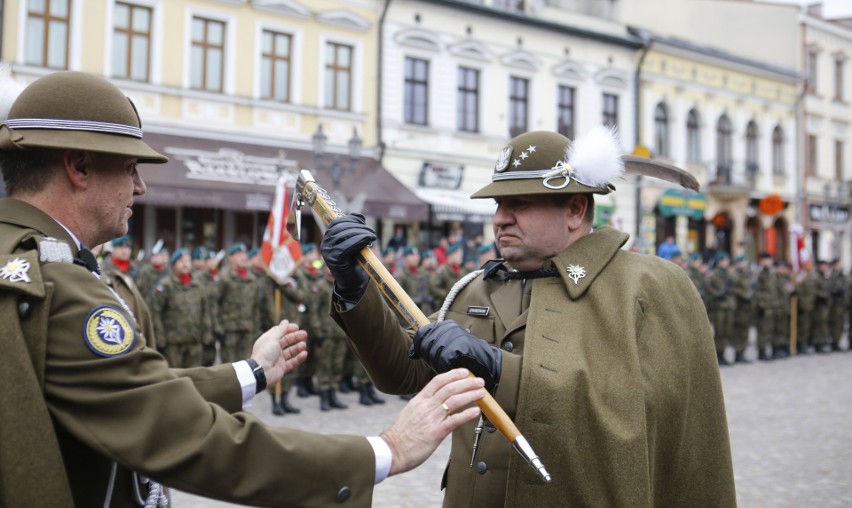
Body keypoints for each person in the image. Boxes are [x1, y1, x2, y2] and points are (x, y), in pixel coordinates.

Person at [0, 70, 485, 507]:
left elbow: (124, 392)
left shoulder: (26, 260)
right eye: (129, 168)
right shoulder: (57, 283)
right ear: (79, 167)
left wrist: (251, 372)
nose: (141, 187)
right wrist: (385, 450)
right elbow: (174, 429)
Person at [321, 127, 736, 506]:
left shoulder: (644, 287)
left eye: (519, 203)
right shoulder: (476, 287)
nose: (500, 218)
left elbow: (631, 413)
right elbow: (402, 372)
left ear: (575, 209)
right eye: (499, 204)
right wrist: (356, 288)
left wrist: (500, 370)